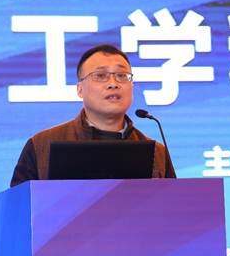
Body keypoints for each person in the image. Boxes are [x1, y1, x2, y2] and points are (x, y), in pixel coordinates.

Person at [10, 44, 176, 186]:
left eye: (122, 76)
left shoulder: (157, 153)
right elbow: (17, 208)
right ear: (80, 89)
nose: (113, 84)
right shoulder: (41, 145)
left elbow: (174, 208)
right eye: (101, 76)